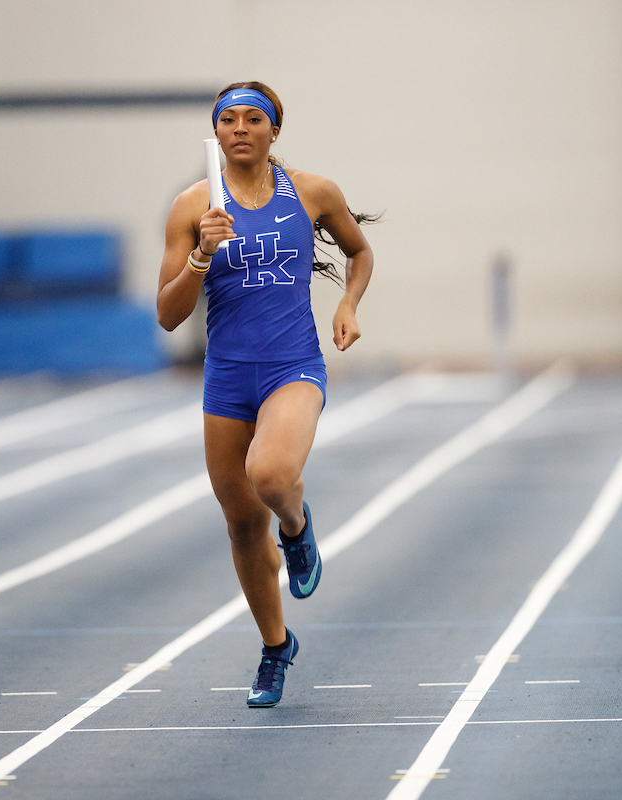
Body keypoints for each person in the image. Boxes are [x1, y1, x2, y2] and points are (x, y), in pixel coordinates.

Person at [158, 82, 374, 707]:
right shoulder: (194, 206)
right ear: (216, 132)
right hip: (227, 377)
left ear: (275, 130)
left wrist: (349, 305)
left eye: (255, 118)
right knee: (241, 522)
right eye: (229, 120)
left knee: (272, 475)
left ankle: (299, 527)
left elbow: (359, 252)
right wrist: (201, 254)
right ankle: (276, 647)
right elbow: (169, 315)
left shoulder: (312, 192)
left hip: (292, 366)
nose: (241, 128)